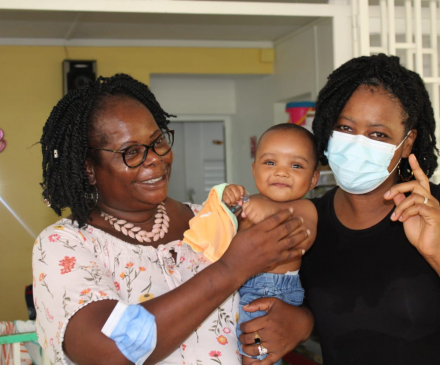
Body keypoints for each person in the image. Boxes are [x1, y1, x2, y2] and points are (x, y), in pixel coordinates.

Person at [33, 73, 313, 365]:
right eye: (131, 152)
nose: (155, 158)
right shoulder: (65, 244)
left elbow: (284, 287)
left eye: (157, 142)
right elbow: (107, 351)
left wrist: (301, 321)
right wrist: (233, 268)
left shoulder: (215, 217)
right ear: (89, 168)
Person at [293, 53, 440, 364]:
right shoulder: (307, 222)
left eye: (378, 134)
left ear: (408, 141)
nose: (358, 144)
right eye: (345, 128)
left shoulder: (434, 213)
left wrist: (436, 251)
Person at [183, 123, 319, 364]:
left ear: (313, 179)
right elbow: (219, 232)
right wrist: (226, 204)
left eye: (296, 165)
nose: (281, 172)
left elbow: (303, 237)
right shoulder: (247, 202)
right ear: (254, 169)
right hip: (234, 284)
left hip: (270, 291)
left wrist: (269, 212)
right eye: (270, 163)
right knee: (226, 347)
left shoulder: (304, 207)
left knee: (256, 352)